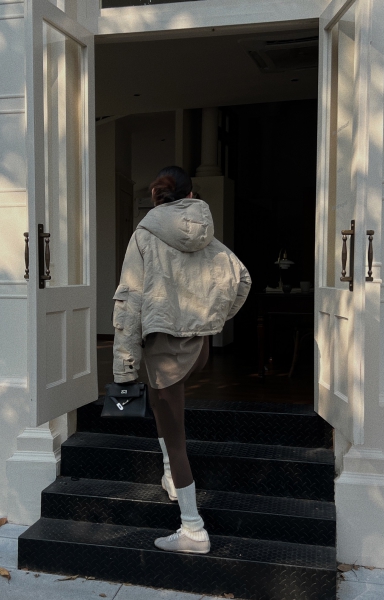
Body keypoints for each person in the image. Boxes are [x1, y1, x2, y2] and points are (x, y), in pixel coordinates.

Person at [112, 166, 251, 554]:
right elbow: (242, 280)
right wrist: (212, 319)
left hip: (165, 349)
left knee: (176, 439)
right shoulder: (207, 236)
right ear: (191, 195)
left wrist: (124, 365)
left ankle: (193, 529)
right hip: (199, 347)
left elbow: (129, 301)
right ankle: (170, 476)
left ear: (155, 198)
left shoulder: (144, 234)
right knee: (162, 409)